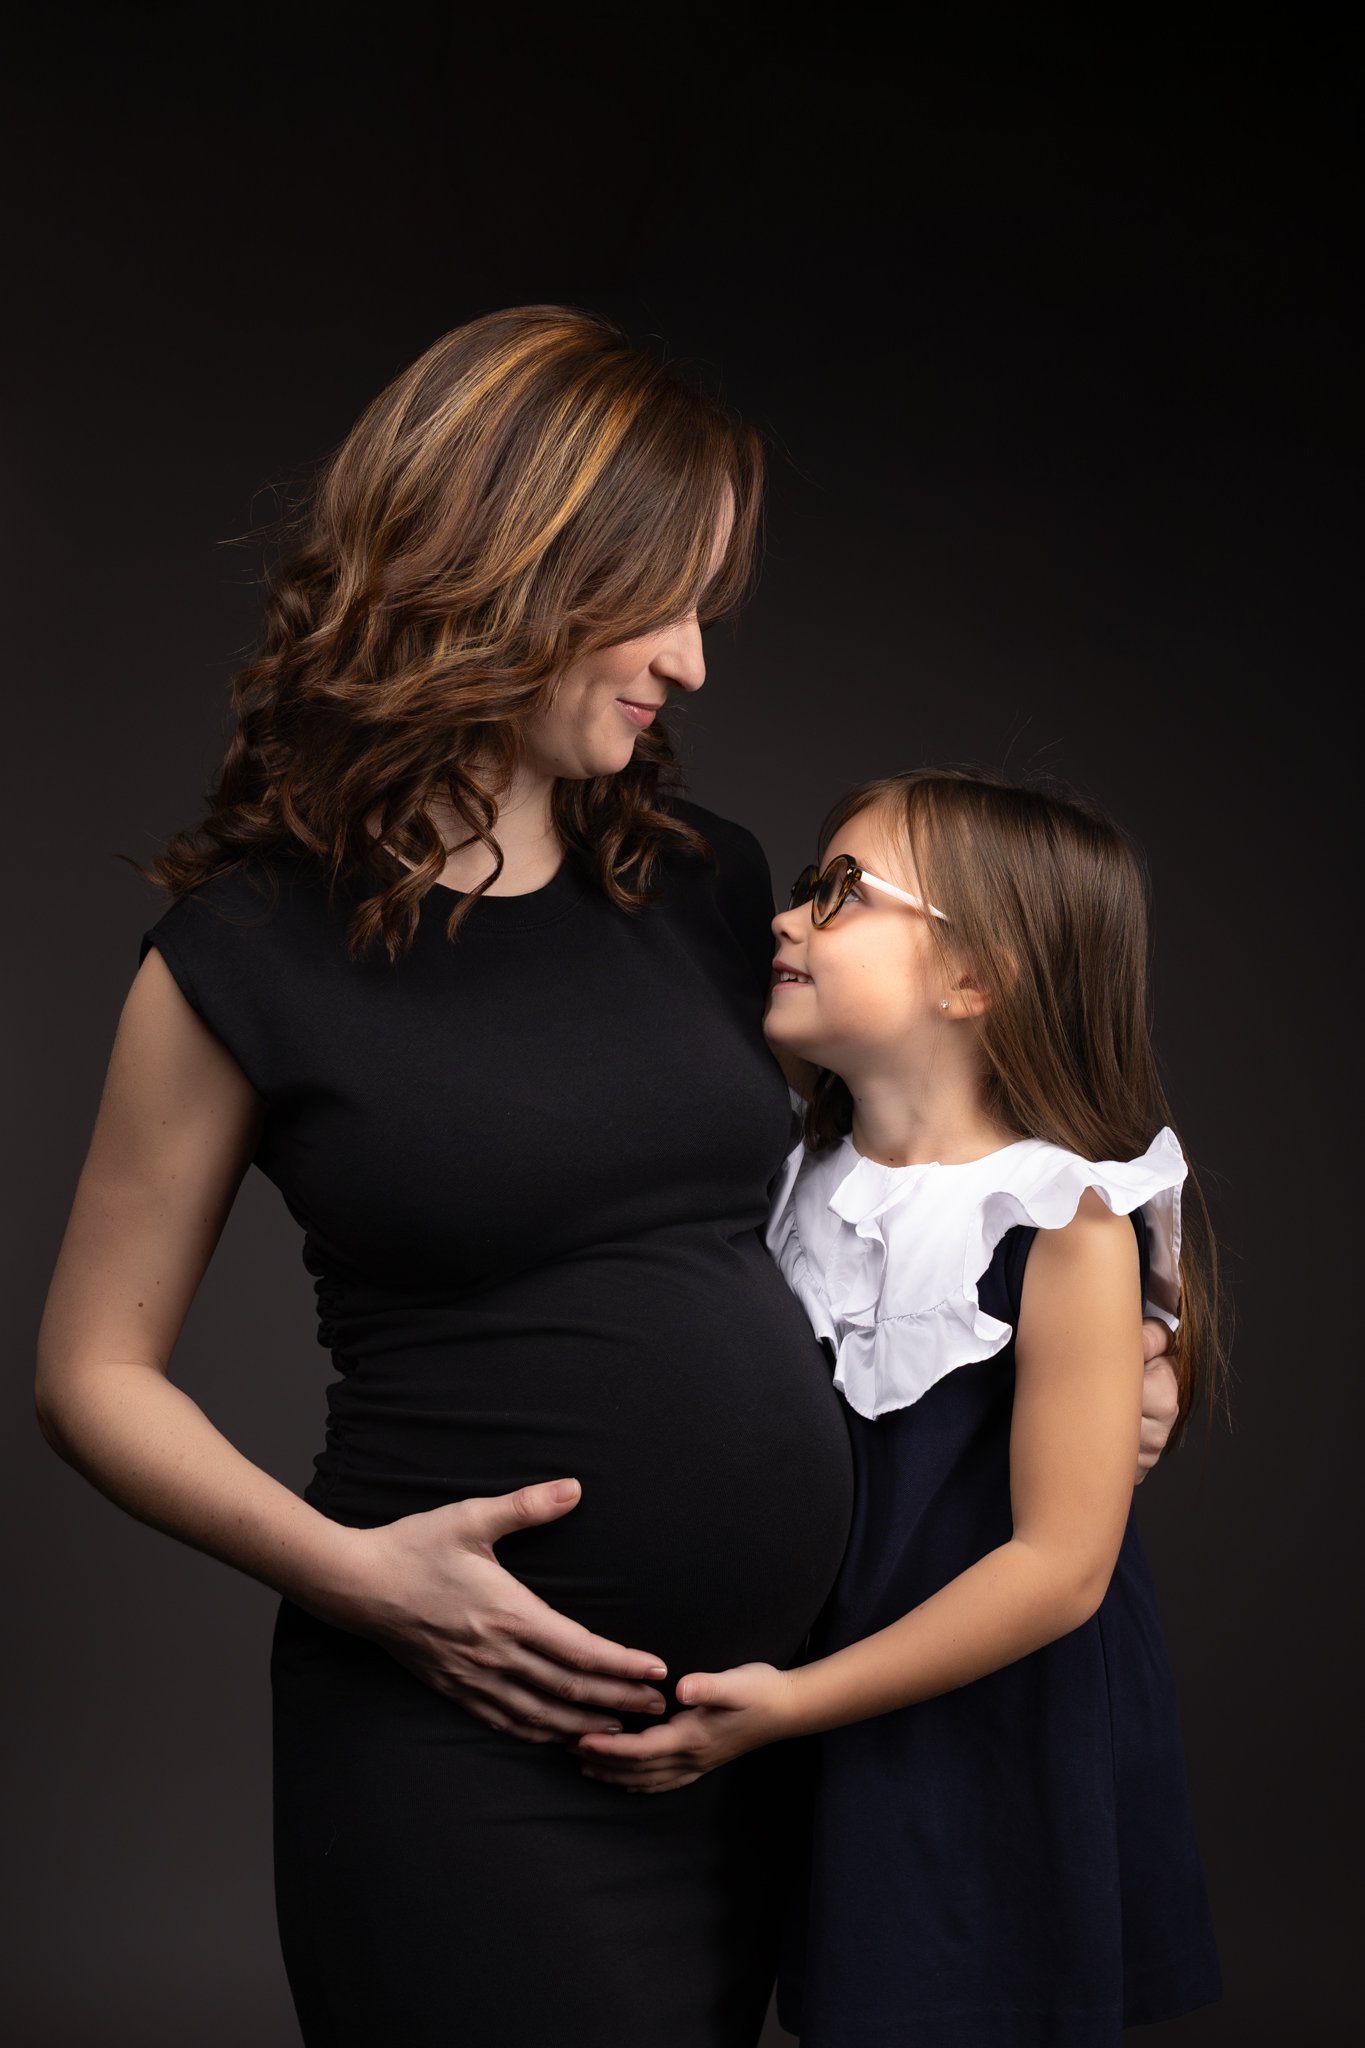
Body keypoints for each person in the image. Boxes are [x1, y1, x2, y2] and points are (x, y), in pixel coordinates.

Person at [33, 312, 1181, 2048]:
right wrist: (360, 1575)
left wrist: (1122, 1325)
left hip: (753, 1750)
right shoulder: (243, 952)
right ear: (509, 574)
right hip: (456, 1742)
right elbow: (90, 1373)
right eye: (662, 604)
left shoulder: (706, 882)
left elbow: (953, 1127)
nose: (696, 664)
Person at [577, 767, 1223, 2045]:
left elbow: (1059, 1567)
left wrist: (796, 1703)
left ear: (975, 974)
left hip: (984, 1727)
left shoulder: (1059, 1219)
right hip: (812, 1707)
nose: (784, 918)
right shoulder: (786, 1174)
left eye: (839, 894)